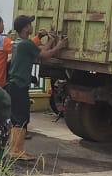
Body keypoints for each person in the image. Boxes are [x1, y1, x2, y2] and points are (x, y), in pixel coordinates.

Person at [6, 16, 68, 161]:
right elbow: (44, 55)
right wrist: (59, 46)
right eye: (30, 24)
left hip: (15, 85)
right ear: (26, 28)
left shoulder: (19, 43)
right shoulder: (25, 44)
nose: (32, 26)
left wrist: (51, 41)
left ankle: (16, 149)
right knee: (21, 118)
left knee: (18, 118)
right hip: (19, 85)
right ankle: (16, 150)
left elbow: (38, 50)